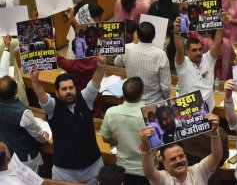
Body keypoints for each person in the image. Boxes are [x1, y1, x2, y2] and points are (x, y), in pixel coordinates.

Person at [31, 55, 106, 184]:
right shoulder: (52, 107)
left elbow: (95, 82)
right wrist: (35, 81)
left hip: (92, 168)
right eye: (64, 89)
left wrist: (101, 66)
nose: (68, 92)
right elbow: (42, 96)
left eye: (71, 88)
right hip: (64, 172)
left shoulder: (85, 99)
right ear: (57, 92)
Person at [0, 42, 49, 173]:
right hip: (25, 157)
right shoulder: (23, 113)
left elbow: (2, 72)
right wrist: (44, 136)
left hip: (10, 152)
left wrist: (6, 47)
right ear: (16, 91)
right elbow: (38, 134)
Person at [139, 113, 222, 184]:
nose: (178, 161)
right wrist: (145, 150)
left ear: (186, 157)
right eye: (173, 159)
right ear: (164, 163)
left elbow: (216, 156)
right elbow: (149, 172)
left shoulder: (198, 171)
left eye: (181, 156)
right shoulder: (163, 179)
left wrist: (214, 132)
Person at [101, 77, 152, 185]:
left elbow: (105, 138)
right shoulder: (150, 113)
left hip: (124, 167)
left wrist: (115, 140)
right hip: (148, 167)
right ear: (142, 94)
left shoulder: (111, 112)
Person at [114, 22, 171, 104]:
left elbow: (117, 63)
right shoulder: (160, 54)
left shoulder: (127, 48)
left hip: (132, 100)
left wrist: (133, 42)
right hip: (154, 103)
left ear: (137, 35)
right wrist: (167, 100)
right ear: (154, 36)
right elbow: (166, 87)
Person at [173, 17, 223, 112]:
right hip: (189, 113)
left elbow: (217, 43)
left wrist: (220, 24)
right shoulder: (183, 64)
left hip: (208, 113)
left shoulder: (208, 59)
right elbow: (179, 49)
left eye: (200, 49)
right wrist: (176, 33)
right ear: (187, 52)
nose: (198, 53)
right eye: (194, 50)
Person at [148, 0, 179, 69]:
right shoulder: (176, 7)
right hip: (171, 39)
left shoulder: (154, 6)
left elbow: (148, 22)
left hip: (155, 37)